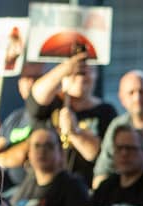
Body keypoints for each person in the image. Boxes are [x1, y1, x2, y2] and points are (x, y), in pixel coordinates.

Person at [26, 52, 118, 187]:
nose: (80, 77)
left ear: (96, 76)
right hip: (47, 187)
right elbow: (35, 98)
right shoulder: (51, 102)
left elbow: (100, 155)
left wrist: (75, 132)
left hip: (85, 187)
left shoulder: (106, 111)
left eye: (86, 73)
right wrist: (67, 67)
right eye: (76, 73)